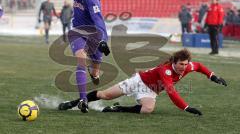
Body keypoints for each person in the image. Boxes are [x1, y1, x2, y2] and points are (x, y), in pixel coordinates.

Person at [58, 49, 227, 115]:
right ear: (173, 62)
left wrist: (213, 76)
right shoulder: (165, 70)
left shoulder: (188, 66)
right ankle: (73, 102)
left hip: (151, 89)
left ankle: (119, 108)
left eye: (185, 64)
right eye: (180, 64)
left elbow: (199, 66)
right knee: (105, 95)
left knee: (147, 109)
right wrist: (187, 107)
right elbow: (172, 93)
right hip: (139, 81)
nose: (183, 67)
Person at [60, 0, 110, 113]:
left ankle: (94, 73)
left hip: (94, 33)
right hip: (77, 31)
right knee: (81, 58)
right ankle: (83, 100)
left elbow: (98, 19)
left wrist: (102, 40)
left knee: (95, 71)